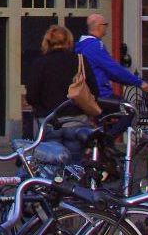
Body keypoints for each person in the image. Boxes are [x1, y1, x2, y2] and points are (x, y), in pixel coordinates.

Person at [25, 24, 99, 162]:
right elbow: (94, 90)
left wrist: (41, 108)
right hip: (77, 121)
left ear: (47, 42)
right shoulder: (80, 61)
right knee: (75, 166)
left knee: (50, 167)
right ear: (69, 41)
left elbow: (32, 96)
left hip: (49, 121)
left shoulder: (40, 63)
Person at [76, 12, 148, 101]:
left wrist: (129, 81)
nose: (107, 27)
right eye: (105, 24)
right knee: (128, 110)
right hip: (100, 93)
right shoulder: (95, 46)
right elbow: (113, 69)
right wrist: (139, 83)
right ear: (99, 26)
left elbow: (110, 73)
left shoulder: (82, 45)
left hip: (88, 93)